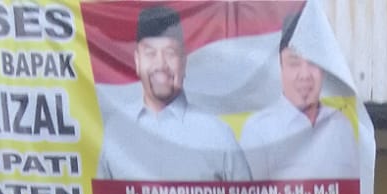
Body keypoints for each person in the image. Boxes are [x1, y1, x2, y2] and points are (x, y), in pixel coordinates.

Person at [98, 5, 250, 182]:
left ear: (184, 62)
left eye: (170, 53)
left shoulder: (217, 135)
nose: (161, 65)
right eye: (150, 53)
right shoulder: (116, 131)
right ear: (138, 62)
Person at [239, 9, 359, 182]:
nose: (305, 75)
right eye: (294, 63)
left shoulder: (341, 126)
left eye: (313, 63)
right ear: (279, 67)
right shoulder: (258, 132)